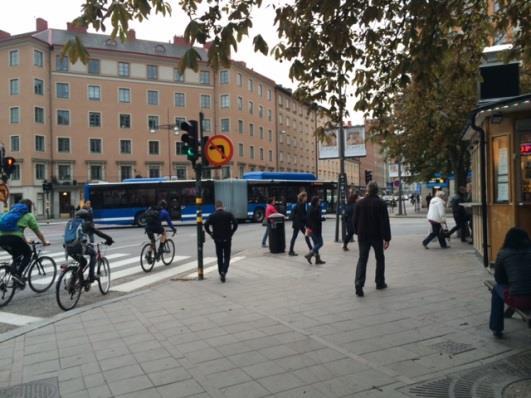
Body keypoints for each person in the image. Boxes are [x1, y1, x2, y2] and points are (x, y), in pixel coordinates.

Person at [489, 228, 531, 338]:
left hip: (519, 299)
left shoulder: (503, 254)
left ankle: (496, 328)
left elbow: (499, 278)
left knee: (496, 289)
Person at [353, 182, 391, 297]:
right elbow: (385, 222)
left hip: (363, 236)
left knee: (362, 260)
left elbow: (354, 220)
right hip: (377, 236)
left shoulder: (359, 203)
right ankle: (380, 282)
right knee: (380, 258)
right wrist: (387, 238)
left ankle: (359, 284)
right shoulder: (381, 203)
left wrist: (357, 231)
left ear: (367, 190)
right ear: (377, 191)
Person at [0, 199, 50, 287]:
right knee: (28, 254)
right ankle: (18, 275)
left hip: (1, 239)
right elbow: (37, 232)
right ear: (29, 207)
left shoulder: (10, 213)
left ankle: (12, 274)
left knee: (17, 256)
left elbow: (19, 231)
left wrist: (26, 241)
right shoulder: (28, 215)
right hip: (14, 239)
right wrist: (44, 242)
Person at [65, 209, 114, 290]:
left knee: (82, 262)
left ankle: (75, 283)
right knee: (94, 254)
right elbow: (98, 232)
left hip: (68, 248)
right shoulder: (86, 224)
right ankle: (91, 276)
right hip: (78, 247)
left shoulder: (70, 223)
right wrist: (109, 239)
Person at [204, 200, 238, 282]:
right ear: (222, 206)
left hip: (217, 239)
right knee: (227, 256)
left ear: (216, 207)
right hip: (227, 239)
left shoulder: (212, 216)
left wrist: (211, 233)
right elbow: (235, 224)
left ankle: (220, 272)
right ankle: (224, 271)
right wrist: (232, 232)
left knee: (219, 257)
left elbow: (206, 225)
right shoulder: (228, 214)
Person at [288, 192, 312, 256]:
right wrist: (307, 220)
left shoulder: (299, 204)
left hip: (298, 223)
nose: (307, 198)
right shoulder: (301, 205)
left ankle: (291, 251)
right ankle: (311, 249)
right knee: (305, 236)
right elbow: (303, 215)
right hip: (299, 224)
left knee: (295, 237)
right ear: (303, 197)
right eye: (306, 197)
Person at [304, 196, 325, 265]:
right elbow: (318, 219)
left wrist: (307, 227)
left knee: (316, 244)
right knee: (320, 243)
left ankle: (317, 259)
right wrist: (323, 219)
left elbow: (307, 218)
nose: (320, 202)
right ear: (316, 202)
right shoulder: (316, 209)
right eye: (319, 201)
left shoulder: (309, 208)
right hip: (316, 229)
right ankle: (309, 254)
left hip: (311, 228)